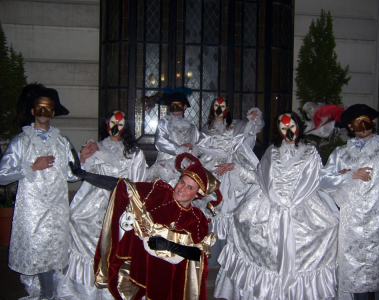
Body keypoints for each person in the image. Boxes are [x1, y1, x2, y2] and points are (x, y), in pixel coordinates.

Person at [212, 112, 339, 300]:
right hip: (270, 204)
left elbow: (313, 180)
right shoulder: (271, 151)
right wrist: (236, 168)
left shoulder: (310, 152)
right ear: (278, 130)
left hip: (301, 204)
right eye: (283, 127)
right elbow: (259, 177)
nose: (288, 130)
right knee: (244, 224)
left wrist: (288, 202)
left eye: (291, 125)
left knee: (327, 228)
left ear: (298, 126)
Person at [68, 152, 223, 300]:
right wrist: (84, 174)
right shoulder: (159, 193)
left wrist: (168, 245)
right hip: (140, 266)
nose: (182, 189)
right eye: (182, 182)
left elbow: (197, 254)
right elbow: (122, 186)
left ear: (198, 194)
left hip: (167, 277)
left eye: (190, 187)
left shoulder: (197, 219)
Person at [0, 88, 83, 300]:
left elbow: (72, 176)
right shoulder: (21, 141)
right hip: (32, 211)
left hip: (56, 210)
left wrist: (82, 158)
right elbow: (2, 176)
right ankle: (47, 295)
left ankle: (50, 294)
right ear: (32, 110)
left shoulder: (62, 142)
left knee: (54, 255)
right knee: (40, 254)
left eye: (48, 107)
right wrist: (31, 167)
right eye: (40, 106)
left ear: (53, 113)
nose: (44, 111)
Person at [57, 110, 147, 300]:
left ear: (126, 127)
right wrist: (82, 157)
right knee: (76, 220)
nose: (115, 126)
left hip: (119, 202)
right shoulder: (94, 147)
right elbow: (79, 174)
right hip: (92, 201)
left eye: (120, 123)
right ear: (106, 122)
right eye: (113, 122)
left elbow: (137, 182)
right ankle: (85, 289)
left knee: (113, 239)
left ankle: (109, 287)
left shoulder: (134, 153)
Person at [319, 104, 379, 300]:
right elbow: (323, 180)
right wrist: (347, 175)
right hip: (352, 224)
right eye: (358, 122)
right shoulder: (341, 154)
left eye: (367, 120)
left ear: (373, 123)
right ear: (350, 126)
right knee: (357, 279)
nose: (364, 125)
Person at [194, 97, 264, 217]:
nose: (219, 109)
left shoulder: (236, 125)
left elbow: (252, 129)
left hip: (233, 161)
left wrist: (254, 118)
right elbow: (201, 146)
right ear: (212, 109)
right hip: (212, 163)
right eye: (216, 106)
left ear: (227, 109)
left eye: (222, 106)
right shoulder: (207, 128)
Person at [146, 90, 200, 185]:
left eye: (178, 104)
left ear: (184, 106)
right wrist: (180, 149)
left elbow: (197, 146)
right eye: (172, 104)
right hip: (166, 168)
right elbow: (160, 141)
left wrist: (191, 154)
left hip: (185, 169)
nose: (175, 107)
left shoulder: (193, 128)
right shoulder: (164, 123)